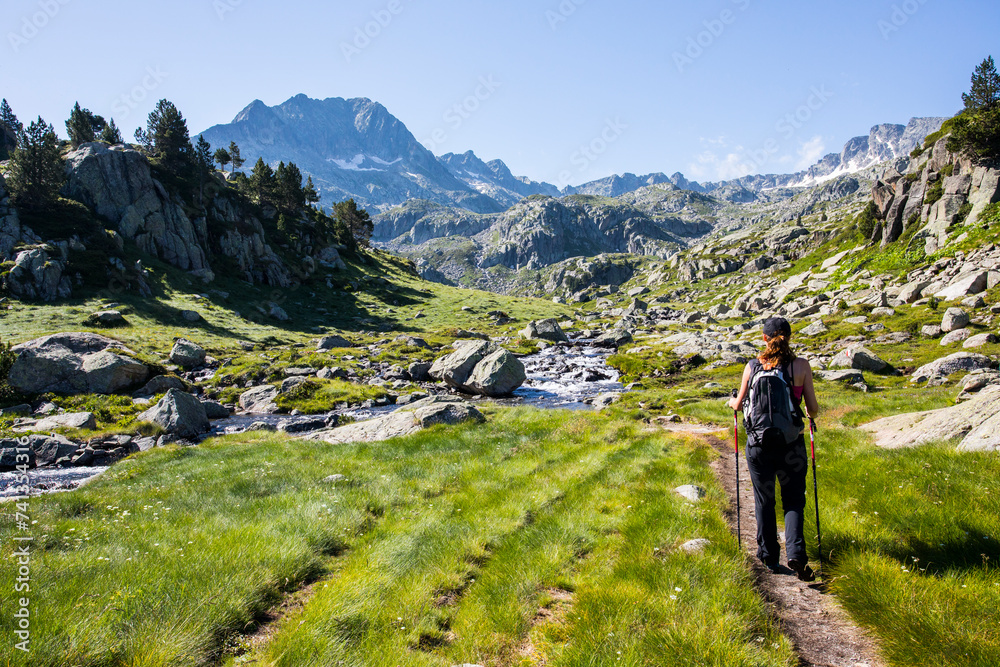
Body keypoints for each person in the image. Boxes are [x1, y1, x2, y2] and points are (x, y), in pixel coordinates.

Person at [728, 317, 820, 581]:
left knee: (764, 500)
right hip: (790, 444)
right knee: (793, 499)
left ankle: (768, 556)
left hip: (758, 445)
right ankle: (797, 555)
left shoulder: (753, 366)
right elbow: (812, 409)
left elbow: (738, 405)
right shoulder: (800, 366)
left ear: (764, 338)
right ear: (789, 337)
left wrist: (732, 400)